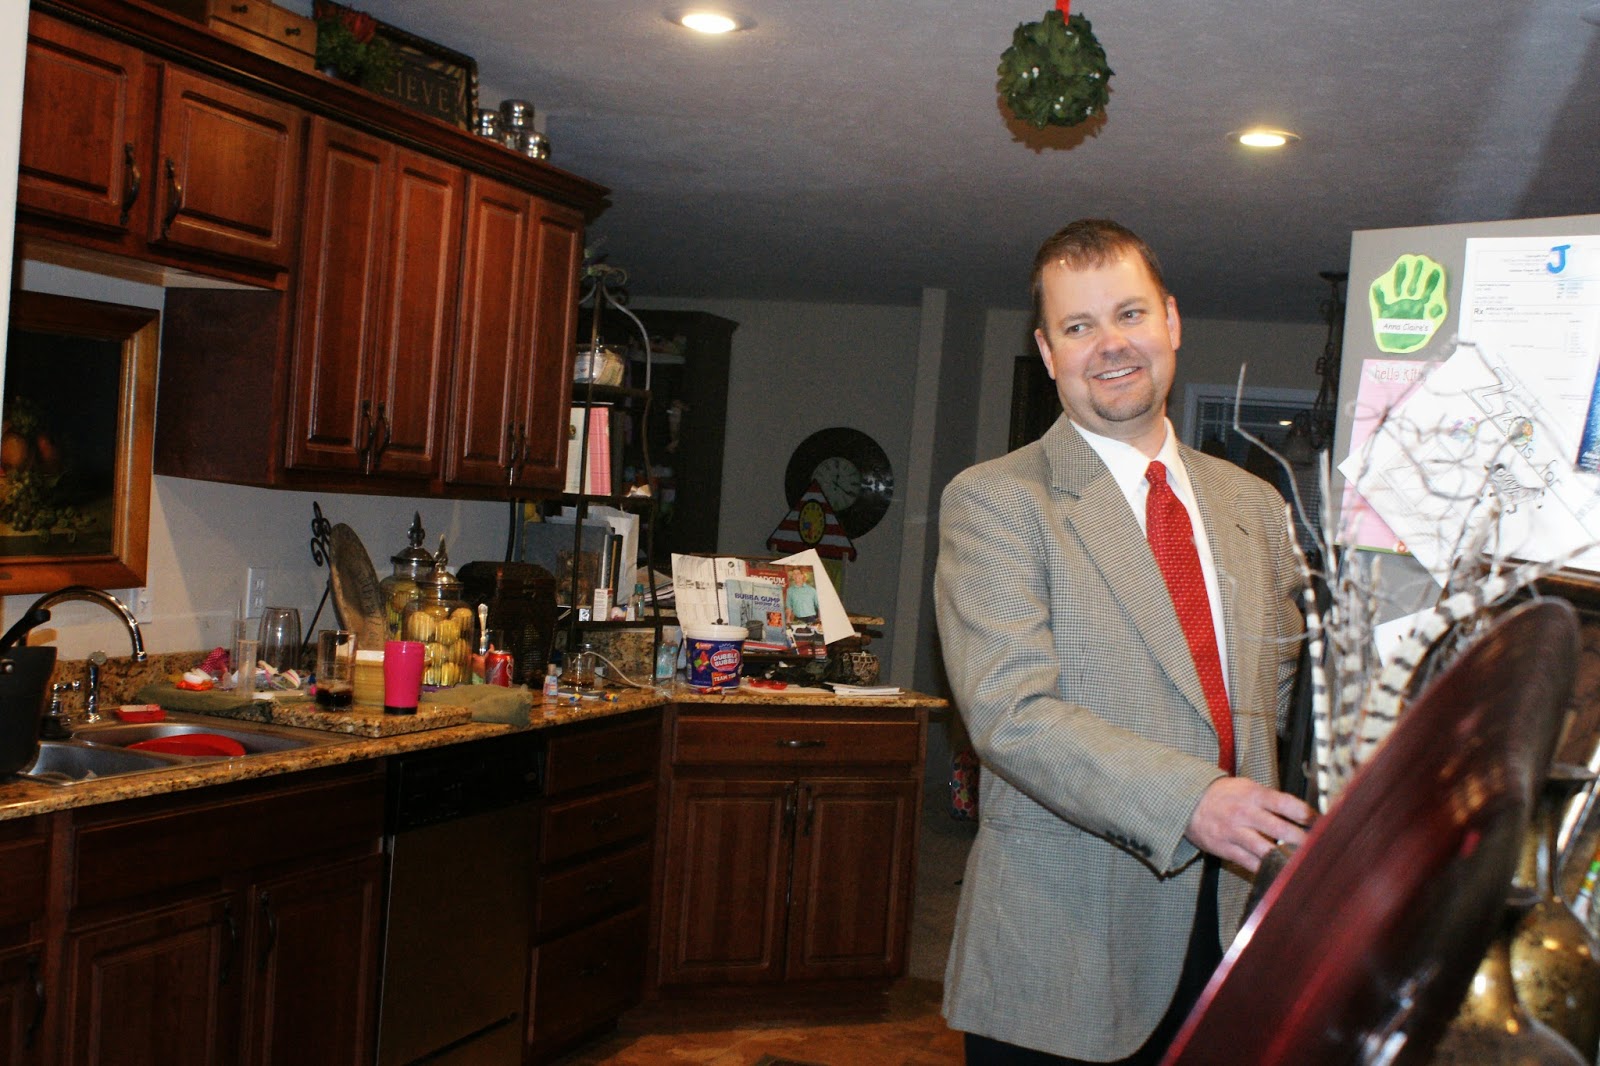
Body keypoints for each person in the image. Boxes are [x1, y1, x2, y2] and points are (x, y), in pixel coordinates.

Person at [933, 219, 1314, 1065]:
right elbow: (1011, 714)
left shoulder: (1256, 507)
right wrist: (1195, 800)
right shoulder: (997, 502)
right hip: (1066, 947)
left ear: (1170, 321)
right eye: (1079, 326)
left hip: (1233, 931)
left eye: (1130, 314)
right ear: (1047, 351)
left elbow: (1281, 695)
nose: (1111, 345)